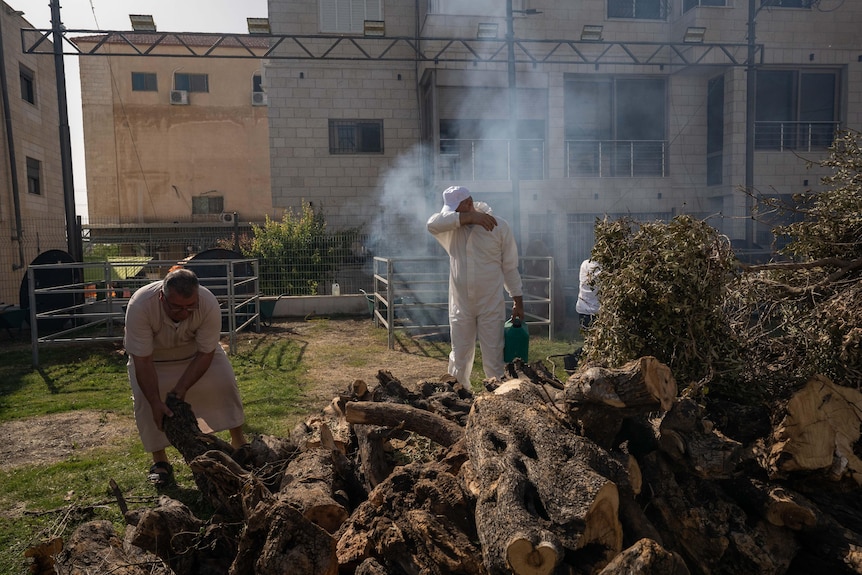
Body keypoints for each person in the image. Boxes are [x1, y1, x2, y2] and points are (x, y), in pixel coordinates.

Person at [124, 267, 247, 487]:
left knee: (224, 383)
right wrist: (155, 401)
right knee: (146, 401)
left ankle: (239, 444)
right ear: (162, 296)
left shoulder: (208, 303)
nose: (184, 312)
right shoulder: (141, 305)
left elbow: (206, 353)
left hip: (196, 355)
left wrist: (180, 390)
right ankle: (160, 462)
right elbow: (142, 360)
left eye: (190, 306)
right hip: (153, 360)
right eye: (177, 307)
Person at [427, 185, 524, 385]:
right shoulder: (451, 229)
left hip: (491, 303)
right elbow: (431, 224)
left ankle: (497, 401)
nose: (454, 214)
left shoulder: (500, 227)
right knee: (459, 357)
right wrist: (471, 217)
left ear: (469, 203)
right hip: (460, 304)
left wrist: (517, 300)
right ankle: (457, 399)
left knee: (493, 357)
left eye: (457, 209)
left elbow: (510, 268)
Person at [576, 259, 601, 330]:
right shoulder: (602, 268)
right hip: (597, 311)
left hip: (583, 309)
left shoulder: (584, 264)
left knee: (588, 336)